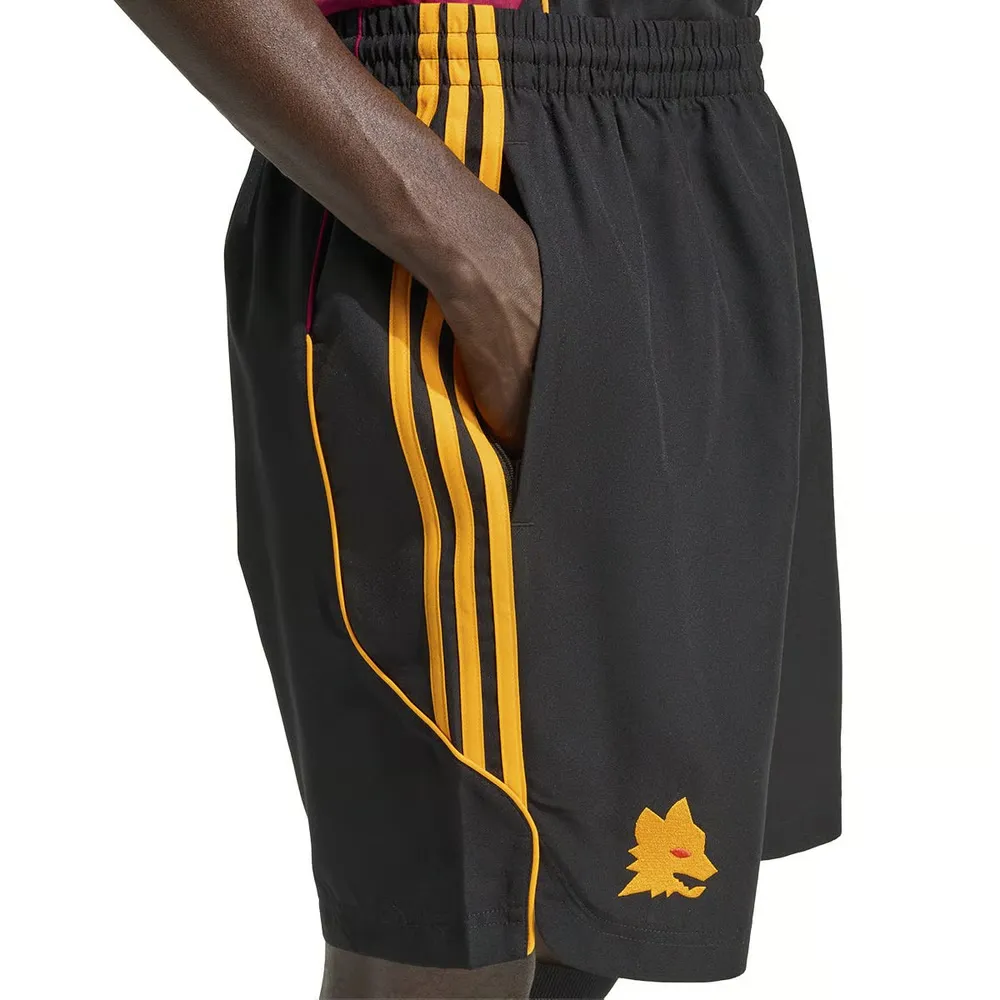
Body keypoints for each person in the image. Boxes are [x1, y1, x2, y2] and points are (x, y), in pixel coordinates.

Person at [114, 0, 842, 996]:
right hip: (458, 136)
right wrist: (469, 252)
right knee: (457, 934)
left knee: (591, 912)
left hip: (707, 137)